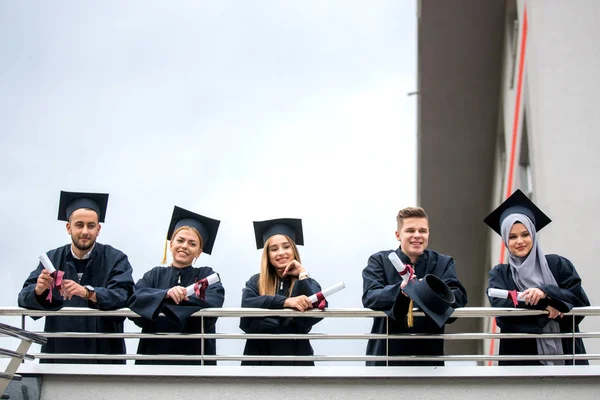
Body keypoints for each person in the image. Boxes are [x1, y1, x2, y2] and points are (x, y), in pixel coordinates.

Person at [18, 191, 134, 364]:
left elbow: (124, 296)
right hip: (58, 356)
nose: (85, 231)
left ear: (98, 229)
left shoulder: (116, 259)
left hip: (105, 358)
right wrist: (38, 290)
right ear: (68, 227)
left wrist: (87, 293)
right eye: (79, 225)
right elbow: (23, 298)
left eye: (91, 225)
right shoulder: (52, 259)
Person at [485, 189, 589, 365]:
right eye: (512, 237)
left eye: (525, 234)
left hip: (567, 357)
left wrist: (545, 292)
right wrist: (549, 306)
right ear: (505, 241)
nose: (520, 241)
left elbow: (579, 301)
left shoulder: (557, 264)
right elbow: (503, 312)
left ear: (533, 234)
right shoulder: (500, 274)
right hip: (522, 361)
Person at [362, 207, 467, 366]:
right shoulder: (380, 261)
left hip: (428, 359)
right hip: (386, 359)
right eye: (410, 230)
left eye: (422, 231)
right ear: (398, 235)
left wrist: (423, 291)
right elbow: (370, 296)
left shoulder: (443, 263)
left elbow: (457, 297)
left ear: (428, 234)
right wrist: (401, 290)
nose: (417, 235)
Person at [127, 206, 225, 365]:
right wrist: (166, 294)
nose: (185, 246)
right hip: (153, 356)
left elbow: (213, 303)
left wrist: (161, 304)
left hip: (195, 357)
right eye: (180, 240)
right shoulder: (154, 275)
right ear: (171, 244)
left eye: (192, 243)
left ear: (199, 252)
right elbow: (134, 300)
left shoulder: (207, 275)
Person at [240, 218, 324, 366]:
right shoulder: (256, 281)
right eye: (274, 249)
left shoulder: (307, 280)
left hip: (296, 356)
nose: (281, 253)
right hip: (259, 357)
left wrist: (302, 274)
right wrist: (286, 302)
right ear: (267, 255)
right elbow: (247, 303)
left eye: (286, 247)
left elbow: (319, 308)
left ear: (294, 250)